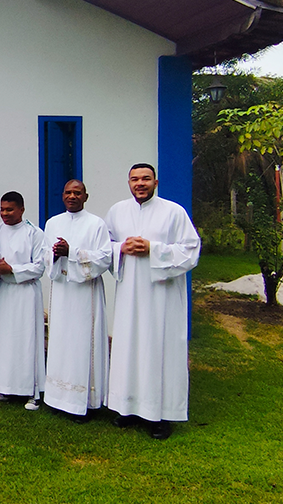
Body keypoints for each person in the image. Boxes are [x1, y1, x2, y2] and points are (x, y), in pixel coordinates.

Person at [105, 163, 201, 440]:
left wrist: (153, 249)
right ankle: (127, 407)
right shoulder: (117, 211)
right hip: (129, 295)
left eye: (146, 178)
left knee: (160, 349)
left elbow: (191, 250)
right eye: (135, 179)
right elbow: (103, 247)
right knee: (129, 347)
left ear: (155, 182)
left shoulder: (174, 212)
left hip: (162, 297)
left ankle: (161, 414)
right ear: (128, 183)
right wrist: (120, 248)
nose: (140, 183)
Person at [42, 180, 112, 422]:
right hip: (62, 291)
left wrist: (71, 252)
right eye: (68, 192)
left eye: (77, 193)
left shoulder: (96, 224)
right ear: (62, 195)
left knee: (82, 343)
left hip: (85, 294)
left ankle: (85, 402)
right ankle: (57, 397)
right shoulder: (52, 223)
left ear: (85, 196)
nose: (72, 196)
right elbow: (44, 255)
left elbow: (104, 258)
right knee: (60, 342)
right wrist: (54, 254)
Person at [0, 191, 47, 410]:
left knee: (27, 340)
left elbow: (39, 267)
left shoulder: (34, 233)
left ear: (22, 209)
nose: (5, 214)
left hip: (26, 292)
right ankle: (4, 386)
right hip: (5, 291)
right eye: (2, 209)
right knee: (4, 339)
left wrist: (12, 269)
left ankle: (32, 391)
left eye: (9, 210)